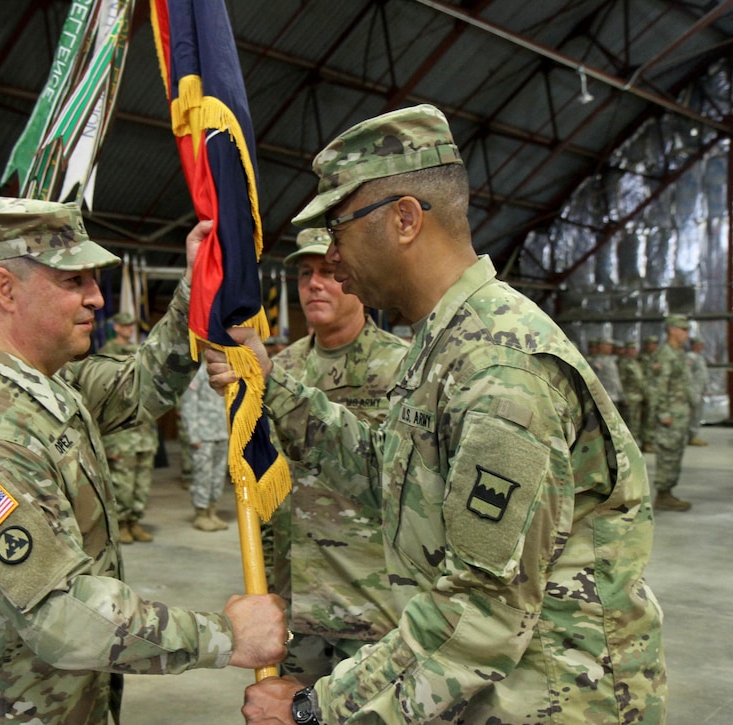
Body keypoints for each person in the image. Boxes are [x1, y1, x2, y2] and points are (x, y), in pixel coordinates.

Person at [209, 105, 665, 724]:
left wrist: (317, 708)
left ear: (403, 219)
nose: (332, 260)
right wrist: (271, 388)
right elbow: (392, 480)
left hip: (547, 702)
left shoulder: (499, 369)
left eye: (338, 228)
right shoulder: (443, 343)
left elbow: (483, 608)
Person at [0, 198, 287, 724]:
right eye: (72, 280)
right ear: (5, 289)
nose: (97, 298)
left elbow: (142, 386)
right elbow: (63, 615)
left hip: (56, 700)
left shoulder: (46, 386)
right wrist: (225, 635)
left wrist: (198, 287)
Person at [266, 226, 409, 683]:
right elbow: (265, 482)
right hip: (296, 600)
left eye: (328, 271)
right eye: (306, 273)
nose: (314, 284)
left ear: (354, 277)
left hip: (373, 601)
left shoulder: (402, 367)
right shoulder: (281, 368)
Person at [96, 311, 160, 543]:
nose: (128, 329)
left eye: (130, 325)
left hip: (144, 431)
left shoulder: (139, 351)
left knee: (142, 480)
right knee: (122, 481)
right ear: (116, 327)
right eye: (123, 326)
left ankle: (135, 521)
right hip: (122, 433)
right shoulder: (108, 352)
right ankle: (121, 523)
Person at [179, 361, 230, 532]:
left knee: (217, 475)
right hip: (203, 434)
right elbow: (189, 404)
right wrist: (193, 434)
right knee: (203, 475)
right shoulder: (197, 372)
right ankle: (201, 514)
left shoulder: (226, 371)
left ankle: (212, 511)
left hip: (222, 432)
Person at [650, 315, 694, 511]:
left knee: (676, 454)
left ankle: (668, 493)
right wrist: (663, 413)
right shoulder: (665, 354)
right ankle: (663, 495)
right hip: (670, 415)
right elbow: (658, 387)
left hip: (680, 413)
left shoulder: (679, 353)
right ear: (672, 330)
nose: (687, 334)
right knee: (667, 454)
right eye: (683, 330)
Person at [618, 338, 645, 443]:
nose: (634, 351)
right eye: (631, 349)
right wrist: (624, 397)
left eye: (635, 349)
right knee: (629, 422)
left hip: (637, 396)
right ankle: (628, 443)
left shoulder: (635, 362)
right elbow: (621, 381)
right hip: (629, 397)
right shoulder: (624, 363)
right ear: (626, 350)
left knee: (636, 422)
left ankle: (635, 442)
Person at [590, 337, 623, 414]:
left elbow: (615, 379)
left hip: (614, 395)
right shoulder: (597, 361)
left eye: (611, 345)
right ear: (601, 346)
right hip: (604, 396)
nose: (610, 347)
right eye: (607, 345)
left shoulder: (612, 360)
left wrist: (620, 394)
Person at [686, 336, 709, 446]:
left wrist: (705, 388)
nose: (702, 347)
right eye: (700, 344)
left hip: (699, 390)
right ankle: (691, 435)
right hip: (693, 391)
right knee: (693, 414)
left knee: (697, 414)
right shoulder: (690, 357)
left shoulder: (700, 357)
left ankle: (693, 435)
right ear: (694, 345)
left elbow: (702, 375)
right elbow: (688, 374)